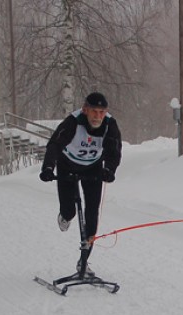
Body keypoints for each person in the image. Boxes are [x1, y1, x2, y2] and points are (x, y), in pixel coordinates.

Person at [39, 92, 122, 273]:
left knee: (92, 215)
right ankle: (65, 216)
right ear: (85, 109)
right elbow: (54, 145)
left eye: (101, 112)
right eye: (94, 112)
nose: (97, 116)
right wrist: (47, 168)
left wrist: (109, 170)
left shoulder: (110, 125)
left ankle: (84, 261)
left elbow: (114, 151)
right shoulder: (73, 122)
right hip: (67, 165)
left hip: (93, 169)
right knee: (69, 210)